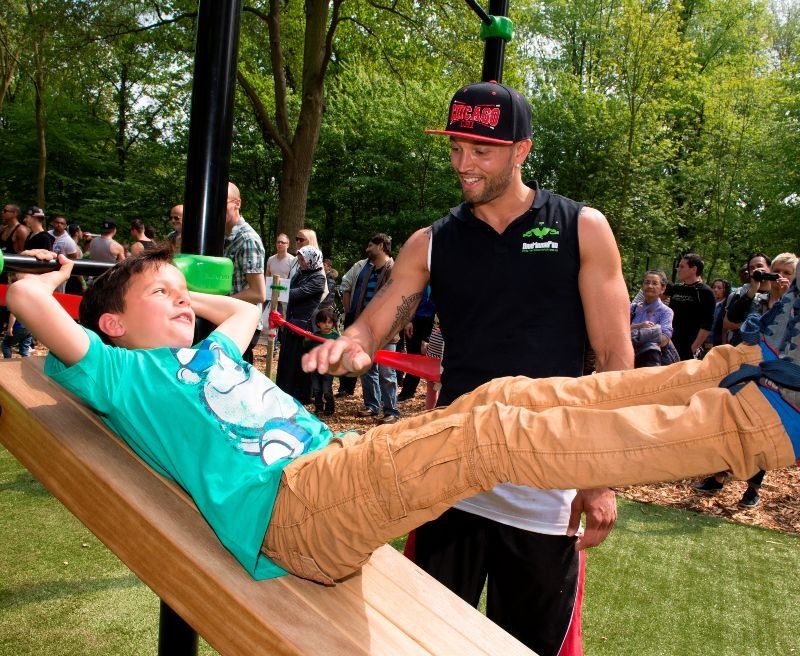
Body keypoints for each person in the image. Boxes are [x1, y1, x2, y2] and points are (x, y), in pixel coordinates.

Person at [8, 248, 798, 589]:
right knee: (493, 435)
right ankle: (763, 429)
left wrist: (177, 289)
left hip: (332, 474)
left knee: (499, 399)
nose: (181, 301)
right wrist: (53, 277)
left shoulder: (206, 356)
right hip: (292, 511)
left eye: (182, 293)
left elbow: (244, 308)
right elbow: (26, 303)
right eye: (160, 296)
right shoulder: (119, 372)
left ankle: (737, 374)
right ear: (110, 324)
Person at [305, 81, 633, 655]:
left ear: (521, 150)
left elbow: (614, 356)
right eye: (456, 147)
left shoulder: (582, 228)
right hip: (448, 476)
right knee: (419, 641)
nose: (464, 164)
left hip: (544, 483)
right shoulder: (432, 241)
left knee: (531, 647)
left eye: (481, 150)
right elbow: (378, 319)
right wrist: (352, 345)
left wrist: (600, 475)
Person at [696, 252, 798, 507]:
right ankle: (718, 476)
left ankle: (752, 489)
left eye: (788, 273)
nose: (780, 277)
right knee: (726, 423)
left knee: (758, 433)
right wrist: (753, 289)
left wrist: (787, 299)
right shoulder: (753, 298)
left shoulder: (794, 307)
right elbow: (730, 322)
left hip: (775, 383)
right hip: (739, 371)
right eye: (777, 271)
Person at [350, 233, 401, 425]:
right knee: (366, 369)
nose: (367, 249)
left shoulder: (393, 269)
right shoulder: (369, 270)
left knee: (387, 372)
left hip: (386, 330)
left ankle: (392, 411)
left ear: (381, 246)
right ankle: (372, 405)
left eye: (370, 245)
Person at [275, 245, 326, 404]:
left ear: (312, 259)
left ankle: (301, 396)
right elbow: (289, 288)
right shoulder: (299, 274)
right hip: (290, 324)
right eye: (300, 258)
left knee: (299, 362)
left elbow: (297, 293)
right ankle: (284, 391)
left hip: (304, 327)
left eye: (303, 259)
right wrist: (277, 288)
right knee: (287, 360)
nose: (300, 261)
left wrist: (275, 289)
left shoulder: (318, 278)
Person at [223, 182, 267, 364]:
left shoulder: (247, 240)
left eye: (222, 201)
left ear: (237, 203)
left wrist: (219, 301)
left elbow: (258, 293)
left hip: (241, 323)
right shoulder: (218, 235)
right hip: (224, 317)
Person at [670, 253, 716, 360]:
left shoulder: (705, 292)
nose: (678, 269)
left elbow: (707, 325)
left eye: (682, 266)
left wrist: (693, 348)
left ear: (694, 269)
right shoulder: (676, 288)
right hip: (670, 345)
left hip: (689, 348)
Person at [335, 256, 368, 398]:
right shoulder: (360, 265)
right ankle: (345, 387)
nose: (368, 248)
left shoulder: (389, 266)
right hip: (353, 316)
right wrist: (348, 310)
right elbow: (345, 285)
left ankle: (372, 398)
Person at [630, 270, 677, 368]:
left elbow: (664, 339)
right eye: (647, 282)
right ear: (642, 286)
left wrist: (632, 333)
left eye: (655, 283)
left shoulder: (666, 311)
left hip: (650, 363)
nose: (650, 286)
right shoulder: (633, 307)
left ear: (662, 288)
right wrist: (642, 326)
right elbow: (618, 332)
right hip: (628, 359)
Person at [397, 285, 435, 401]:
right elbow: (410, 300)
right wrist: (409, 320)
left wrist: (426, 337)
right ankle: (408, 390)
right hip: (416, 320)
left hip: (431, 322)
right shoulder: (419, 279)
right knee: (413, 356)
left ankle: (430, 395)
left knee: (427, 358)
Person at [308, 307, 339, 416]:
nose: (326, 325)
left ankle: (330, 407)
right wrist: (307, 339)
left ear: (333, 324)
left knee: (326, 389)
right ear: (318, 323)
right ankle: (319, 407)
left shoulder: (335, 337)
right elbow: (307, 346)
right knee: (316, 389)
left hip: (328, 369)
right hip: (315, 368)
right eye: (323, 322)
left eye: (329, 322)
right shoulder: (315, 335)